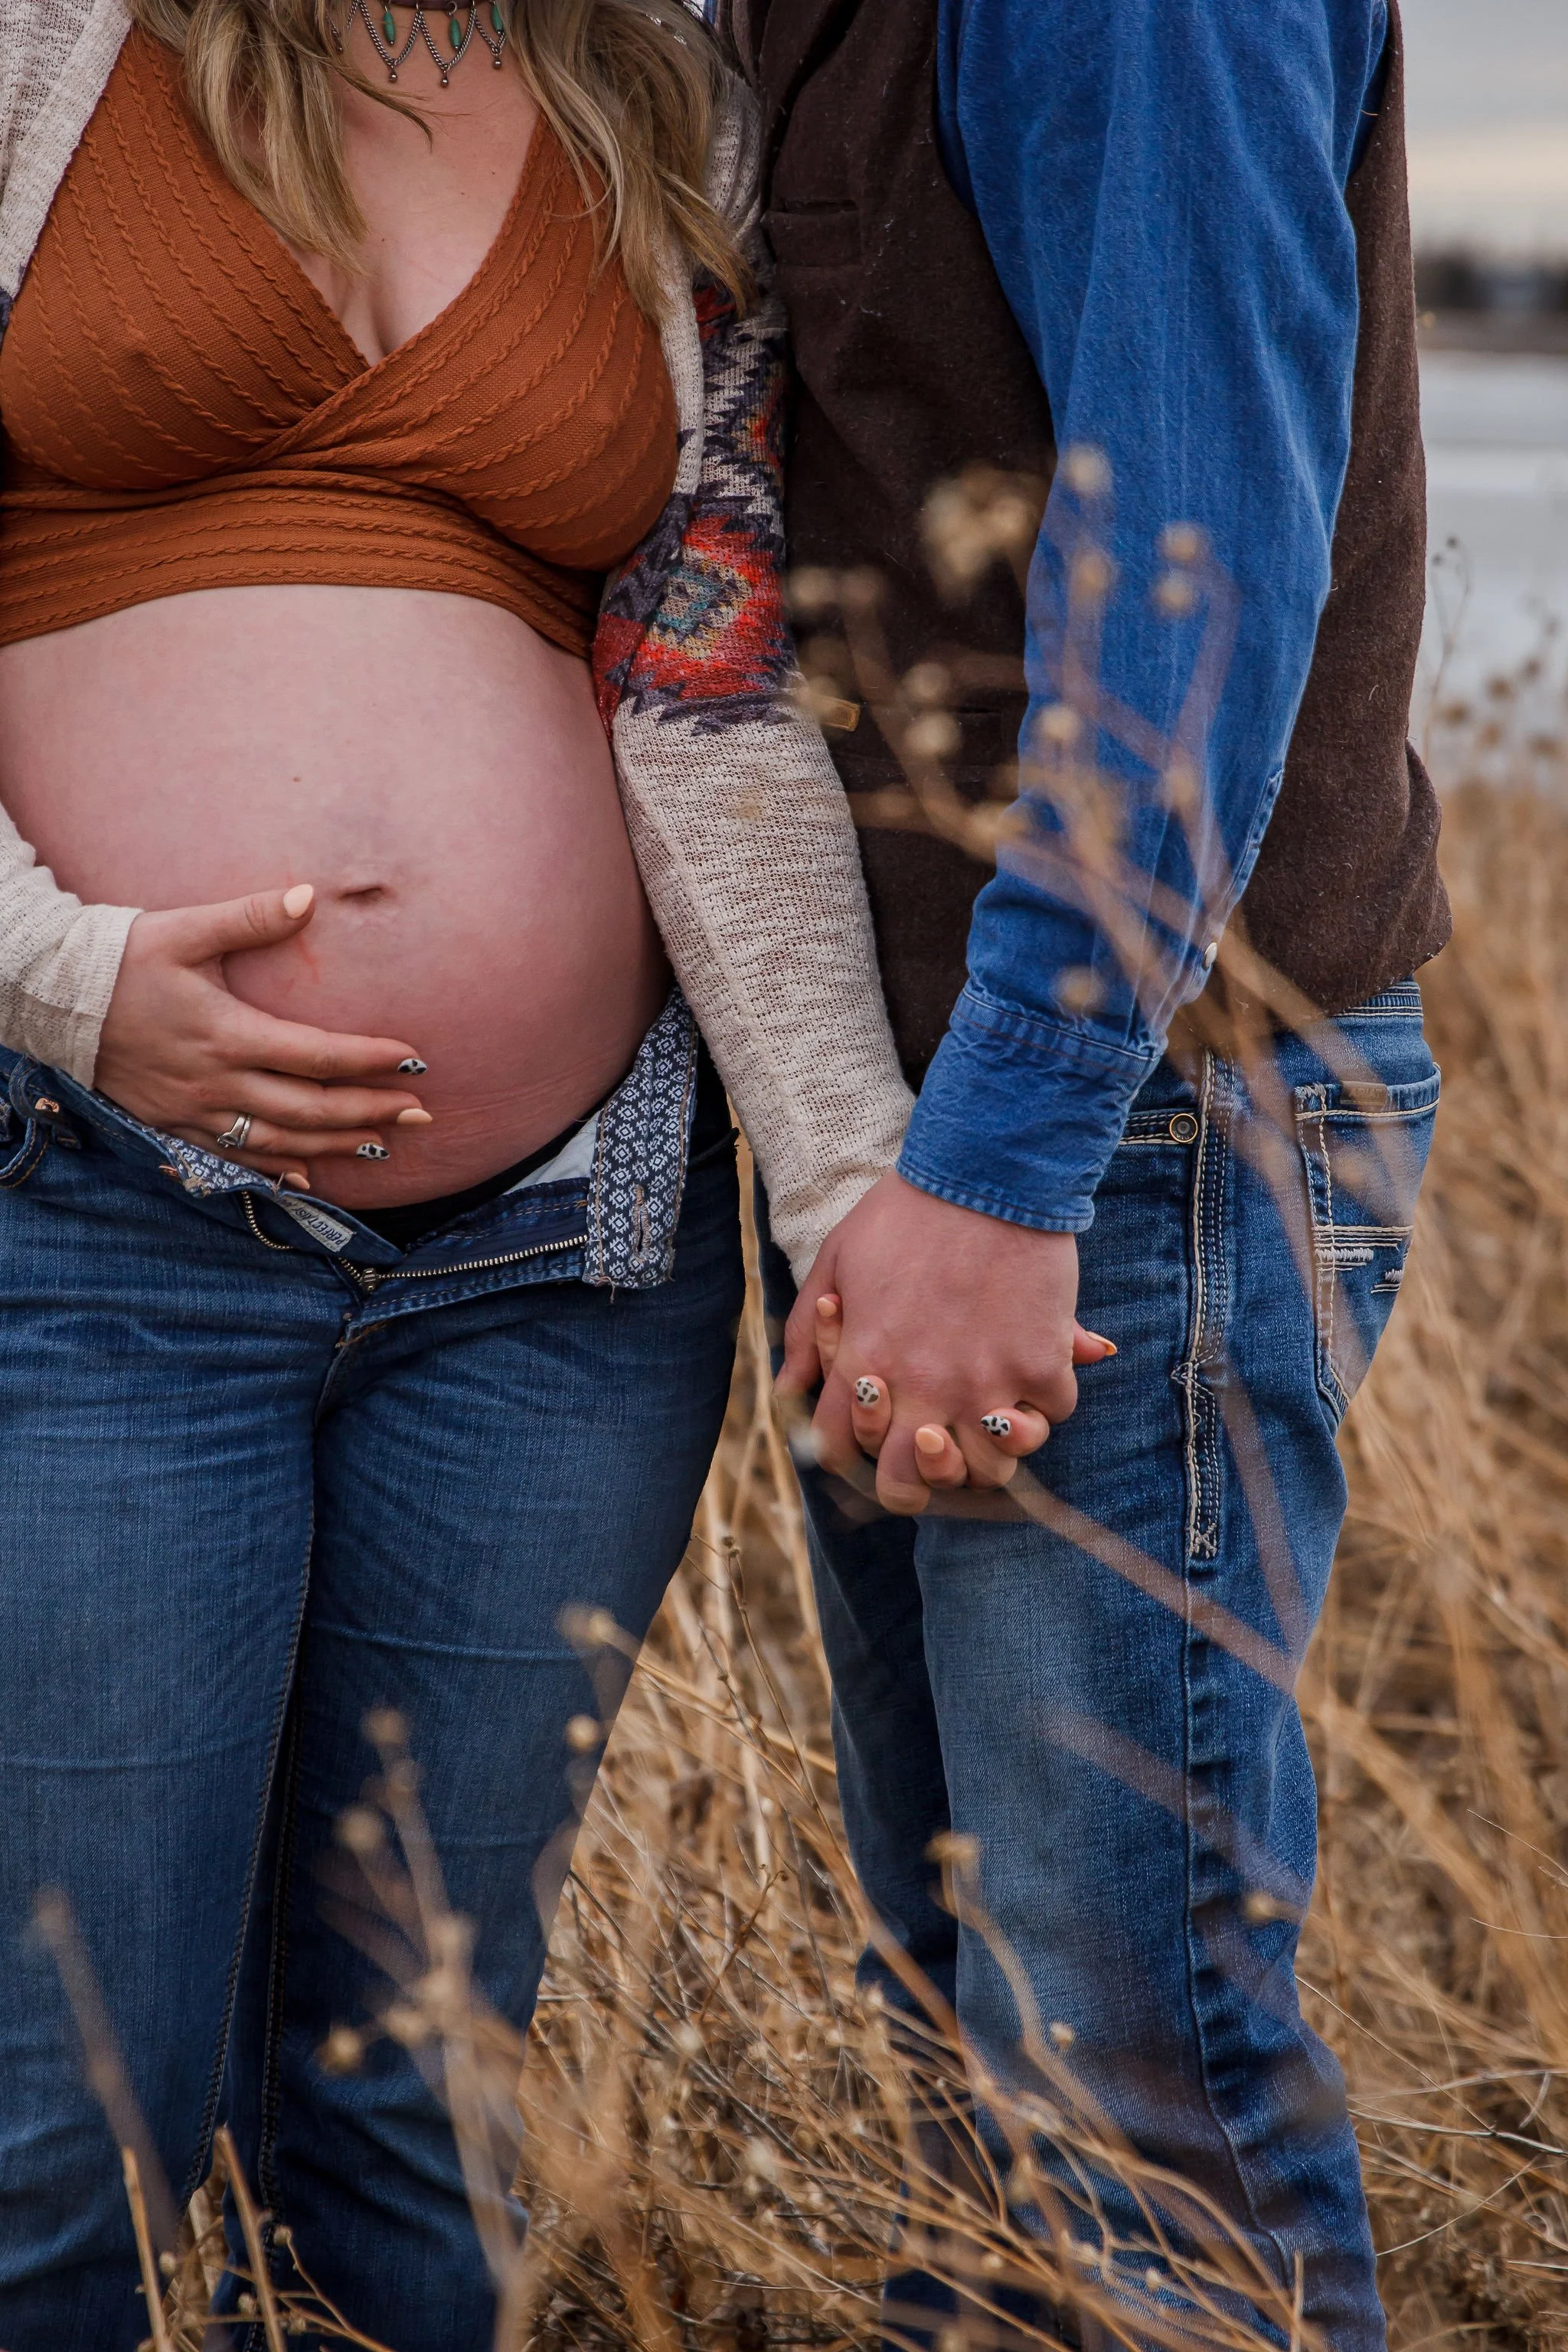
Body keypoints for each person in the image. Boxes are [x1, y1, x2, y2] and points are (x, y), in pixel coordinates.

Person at [0, 1, 916, 2342]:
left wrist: (848, 1181)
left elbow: (709, 691)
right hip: (89, 1218)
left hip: (560, 1268)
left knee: (420, 2096)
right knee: (66, 2120)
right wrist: (66, 974)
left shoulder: (659, 95)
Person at [730, 0, 1443, 2341]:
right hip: (936, 1131)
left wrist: (1010, 1166)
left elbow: (1186, 561)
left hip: (1123, 1132)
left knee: (1133, 2084)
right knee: (977, 2036)